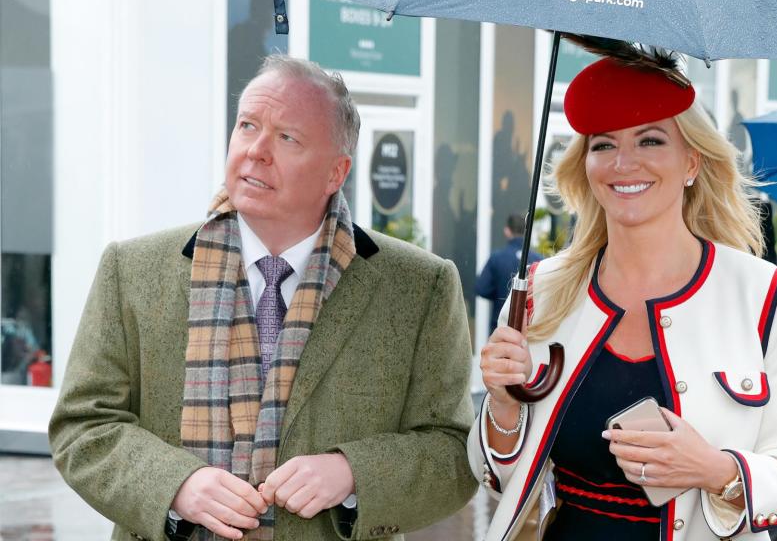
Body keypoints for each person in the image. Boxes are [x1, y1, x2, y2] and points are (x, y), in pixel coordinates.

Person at [49, 55, 476, 541]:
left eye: (287, 137)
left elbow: (452, 453)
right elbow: (82, 428)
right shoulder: (133, 270)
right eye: (247, 125)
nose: (256, 150)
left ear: (336, 173)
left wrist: (353, 473)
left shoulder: (419, 287)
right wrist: (175, 484)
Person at [469, 53, 777, 541]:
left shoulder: (765, 297)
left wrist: (716, 470)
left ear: (692, 162)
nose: (623, 163)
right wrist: (504, 405)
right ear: (586, 164)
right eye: (604, 144)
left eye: (650, 140)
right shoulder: (542, 291)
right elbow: (507, 483)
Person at [476, 213, 544, 335]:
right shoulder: (539, 260)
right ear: (525, 231)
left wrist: (501, 295)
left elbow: (482, 289)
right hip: (530, 332)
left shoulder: (497, 258)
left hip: (501, 327)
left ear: (507, 231)